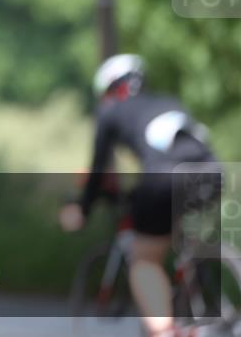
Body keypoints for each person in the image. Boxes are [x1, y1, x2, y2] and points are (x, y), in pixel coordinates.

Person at [59, 54, 221, 337]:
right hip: (212, 172)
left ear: (111, 90)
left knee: (144, 259)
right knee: (173, 226)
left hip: (163, 180)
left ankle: (164, 331)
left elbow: (99, 169)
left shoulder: (111, 112)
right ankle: (197, 287)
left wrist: (82, 209)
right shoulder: (168, 102)